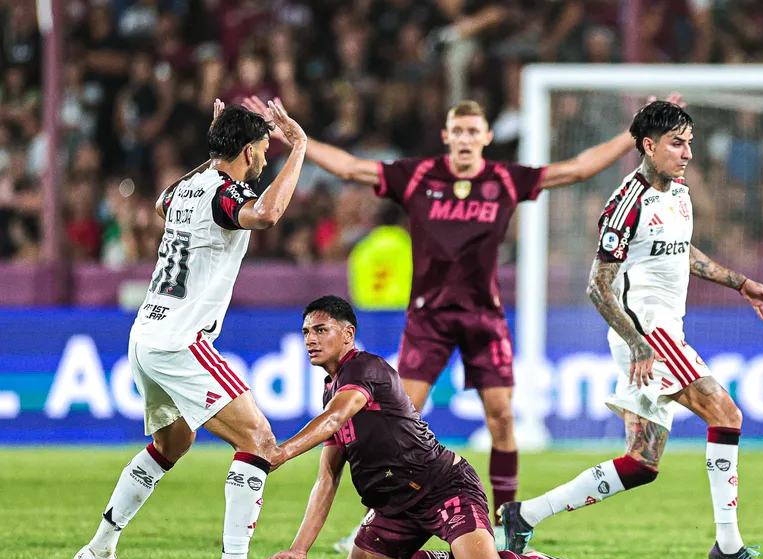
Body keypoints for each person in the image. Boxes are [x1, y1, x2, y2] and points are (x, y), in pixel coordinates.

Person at [242, 94, 674, 528]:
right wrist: (298, 140)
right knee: (397, 416)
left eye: (473, 131)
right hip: (428, 318)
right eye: (459, 131)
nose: (466, 138)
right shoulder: (419, 176)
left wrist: (634, 135)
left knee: (501, 417)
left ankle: (505, 523)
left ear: (486, 137)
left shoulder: (505, 179)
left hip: (483, 317)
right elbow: (352, 167)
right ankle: (383, 518)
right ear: (447, 136)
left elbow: (576, 169)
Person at [499, 101, 763, 559]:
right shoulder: (625, 204)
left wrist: (740, 283)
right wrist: (638, 344)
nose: (687, 153)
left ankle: (524, 514)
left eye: (689, 143)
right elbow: (598, 286)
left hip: (662, 332)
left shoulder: (680, 194)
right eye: (677, 143)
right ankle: (729, 546)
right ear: (649, 146)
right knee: (727, 414)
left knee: (641, 464)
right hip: (647, 332)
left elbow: (681, 251)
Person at [72, 100, 309, 559]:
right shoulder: (226, 192)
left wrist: (216, 149)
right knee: (259, 440)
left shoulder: (186, 187)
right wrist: (300, 148)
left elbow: (162, 204)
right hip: (182, 341)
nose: (267, 156)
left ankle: (99, 550)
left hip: (147, 335)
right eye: (264, 148)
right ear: (249, 151)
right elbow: (266, 215)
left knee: (172, 444)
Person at [261, 296, 596, 559]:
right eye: (306, 332)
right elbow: (327, 478)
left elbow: (334, 418)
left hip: (442, 488)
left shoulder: (365, 368)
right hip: (393, 505)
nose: (310, 339)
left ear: (348, 334)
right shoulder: (331, 391)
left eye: (321, 330)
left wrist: (282, 452)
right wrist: (299, 549)